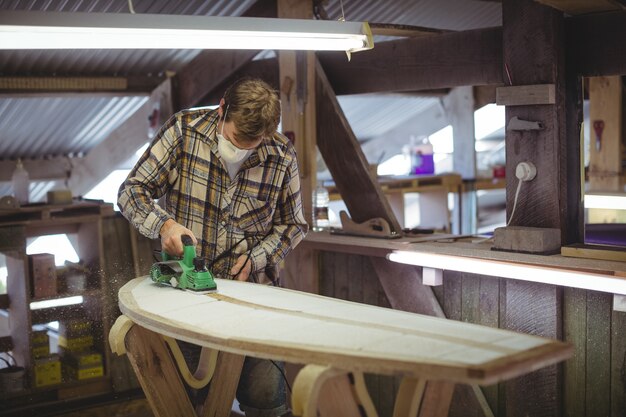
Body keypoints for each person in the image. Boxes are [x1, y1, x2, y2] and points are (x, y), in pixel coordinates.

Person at [117, 77, 308, 416]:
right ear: (222, 110)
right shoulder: (183, 131)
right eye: (237, 139)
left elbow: (293, 225)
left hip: (253, 296)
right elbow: (131, 192)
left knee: (267, 402)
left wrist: (256, 258)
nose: (244, 148)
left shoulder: (280, 155)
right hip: (184, 300)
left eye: (254, 143)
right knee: (192, 402)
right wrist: (165, 224)